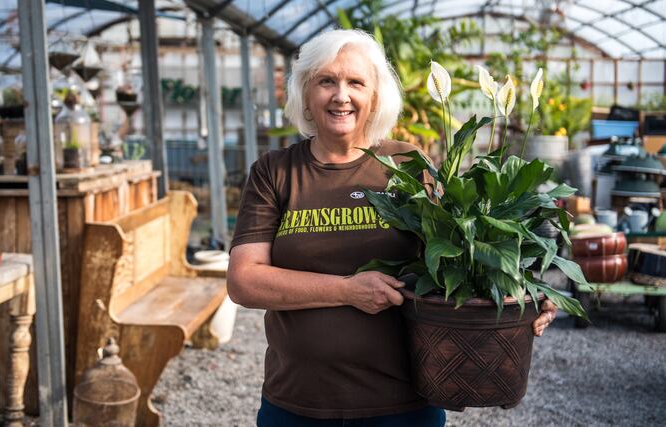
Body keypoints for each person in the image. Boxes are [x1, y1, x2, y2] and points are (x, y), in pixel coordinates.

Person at [227, 29, 557, 427]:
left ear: (376, 96)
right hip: (296, 402)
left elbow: (462, 256)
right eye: (326, 81)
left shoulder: (408, 164)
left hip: (403, 404)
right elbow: (244, 281)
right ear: (305, 94)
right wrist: (348, 291)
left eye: (355, 82)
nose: (341, 95)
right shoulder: (275, 171)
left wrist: (520, 293)